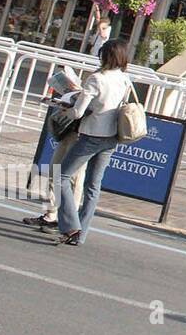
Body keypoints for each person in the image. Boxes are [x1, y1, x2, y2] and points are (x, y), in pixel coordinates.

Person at [52, 39, 133, 247]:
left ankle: (71, 226)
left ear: (104, 56)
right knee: (93, 186)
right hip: (113, 137)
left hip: (92, 134)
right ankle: (81, 233)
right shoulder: (125, 79)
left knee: (60, 176)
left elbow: (78, 112)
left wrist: (63, 107)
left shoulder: (96, 78)